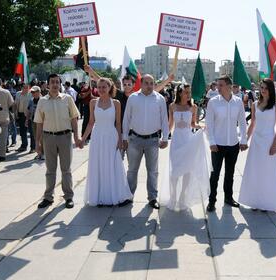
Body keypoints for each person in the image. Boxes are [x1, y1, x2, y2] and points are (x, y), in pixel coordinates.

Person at [80, 77, 133, 206]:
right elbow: (91, 123)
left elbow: (119, 123)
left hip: (111, 136)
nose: (102, 89)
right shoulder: (93, 102)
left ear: (110, 88)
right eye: (100, 87)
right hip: (97, 137)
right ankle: (98, 197)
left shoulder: (116, 103)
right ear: (97, 88)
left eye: (105, 87)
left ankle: (112, 195)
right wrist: (83, 138)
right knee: (97, 165)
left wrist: (120, 140)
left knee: (112, 165)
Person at [159, 83, 210, 211]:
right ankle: (174, 196)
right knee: (175, 169)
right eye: (186, 92)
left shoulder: (193, 107)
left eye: (189, 92)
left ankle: (182, 196)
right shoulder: (172, 106)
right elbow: (170, 124)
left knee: (187, 169)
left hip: (188, 140)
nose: (189, 95)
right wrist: (164, 137)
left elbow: (193, 124)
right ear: (180, 93)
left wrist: (201, 127)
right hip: (176, 140)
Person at [122, 74, 169, 209]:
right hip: (134, 139)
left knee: (153, 171)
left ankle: (152, 197)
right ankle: (129, 195)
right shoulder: (133, 98)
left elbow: (164, 120)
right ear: (141, 84)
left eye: (151, 83)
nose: (149, 86)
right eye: (146, 83)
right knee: (132, 170)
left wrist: (165, 138)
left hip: (153, 140)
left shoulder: (159, 99)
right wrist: (125, 137)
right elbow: (126, 119)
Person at [34, 74, 80, 209]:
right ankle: (48, 197)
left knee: (66, 169)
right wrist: (37, 142)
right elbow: (39, 123)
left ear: (60, 84)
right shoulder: (42, 101)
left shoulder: (67, 99)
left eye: (57, 82)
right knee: (50, 169)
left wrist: (76, 136)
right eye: (52, 82)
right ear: (47, 85)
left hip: (65, 137)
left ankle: (69, 197)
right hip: (48, 138)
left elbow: (74, 119)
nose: (54, 84)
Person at [238, 79, 276, 212]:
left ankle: (266, 202)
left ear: (271, 89)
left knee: (267, 172)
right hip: (256, 142)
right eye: (261, 88)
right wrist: (245, 140)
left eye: (266, 88)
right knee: (255, 171)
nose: (263, 90)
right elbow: (252, 124)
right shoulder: (255, 104)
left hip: (269, 141)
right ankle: (255, 201)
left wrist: (274, 144)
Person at [205, 75, 248, 212]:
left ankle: (228, 198)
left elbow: (242, 122)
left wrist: (243, 140)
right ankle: (212, 200)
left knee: (230, 173)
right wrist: (211, 141)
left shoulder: (238, 102)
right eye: (217, 85)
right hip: (217, 144)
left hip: (233, 144)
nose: (218, 87)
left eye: (221, 85)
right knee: (215, 174)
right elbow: (209, 124)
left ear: (229, 86)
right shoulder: (213, 102)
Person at [15, 83, 34, 153]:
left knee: (31, 132)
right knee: (22, 131)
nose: (26, 89)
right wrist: (16, 114)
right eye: (24, 87)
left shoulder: (31, 94)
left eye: (27, 87)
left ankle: (33, 147)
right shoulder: (18, 94)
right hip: (20, 114)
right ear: (21, 88)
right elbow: (16, 104)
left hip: (29, 115)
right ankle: (24, 145)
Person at [26, 86, 43, 160]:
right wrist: (27, 120)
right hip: (33, 121)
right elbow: (29, 111)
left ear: (39, 92)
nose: (32, 93)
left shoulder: (43, 100)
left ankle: (43, 153)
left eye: (34, 92)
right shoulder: (31, 100)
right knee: (36, 137)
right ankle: (39, 153)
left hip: (42, 122)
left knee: (42, 138)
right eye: (32, 92)